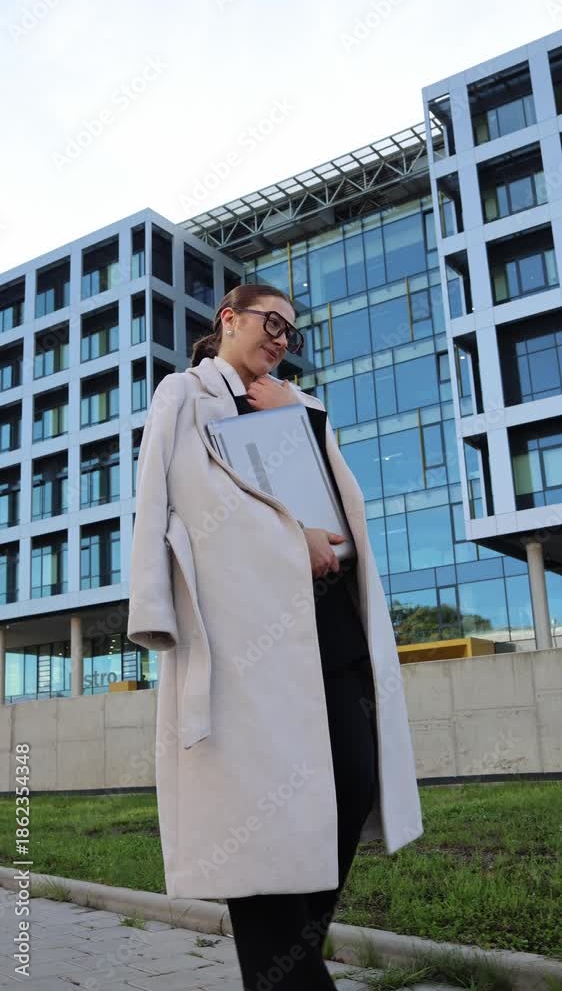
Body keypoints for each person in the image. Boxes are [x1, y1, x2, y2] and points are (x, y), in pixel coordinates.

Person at [127, 283, 423, 991]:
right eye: (271, 322)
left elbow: (346, 520)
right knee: (253, 819)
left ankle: (288, 965)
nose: (282, 338)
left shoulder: (304, 410)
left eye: (292, 330)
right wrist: (157, 609)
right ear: (229, 319)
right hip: (241, 641)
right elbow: (169, 507)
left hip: (330, 628)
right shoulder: (184, 396)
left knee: (349, 787)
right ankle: (291, 974)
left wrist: (299, 418)